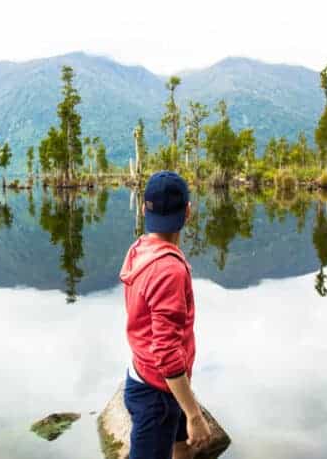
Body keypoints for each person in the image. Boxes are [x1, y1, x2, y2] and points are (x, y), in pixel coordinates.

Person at [119, 171, 211, 459]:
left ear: (145, 209)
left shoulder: (140, 249)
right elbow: (168, 353)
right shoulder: (169, 270)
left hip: (147, 376)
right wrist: (194, 414)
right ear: (188, 212)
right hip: (157, 393)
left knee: (182, 445)